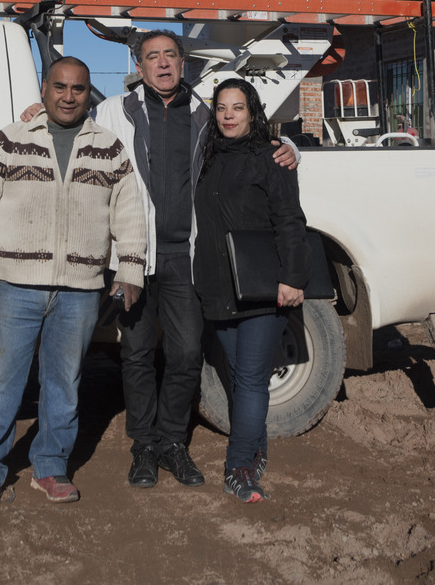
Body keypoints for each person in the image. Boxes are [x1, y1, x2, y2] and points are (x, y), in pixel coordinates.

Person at [92, 30, 298, 489]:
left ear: (182, 62)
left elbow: (247, 143)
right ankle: (144, 445)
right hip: (133, 257)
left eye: (170, 56)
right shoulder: (111, 111)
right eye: (152, 57)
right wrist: (34, 114)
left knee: (185, 354)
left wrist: (292, 148)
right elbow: (72, 136)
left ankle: (172, 442)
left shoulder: (204, 114)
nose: (162, 64)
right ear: (138, 65)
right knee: (137, 352)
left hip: (186, 257)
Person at [0, 57, 147, 511]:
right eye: (59, 87)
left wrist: (131, 270)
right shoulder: (10, 140)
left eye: (78, 89)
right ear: (44, 89)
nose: (67, 96)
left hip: (79, 290)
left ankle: (50, 465)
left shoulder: (109, 148)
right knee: (1, 383)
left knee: (64, 384)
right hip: (14, 287)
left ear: (88, 93)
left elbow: (130, 214)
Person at [191, 78, 309, 504]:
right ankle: (256, 449)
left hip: (262, 290)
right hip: (217, 288)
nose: (228, 115)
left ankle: (238, 467)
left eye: (237, 108)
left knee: (254, 380)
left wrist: (293, 279)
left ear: (252, 112)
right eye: (222, 108)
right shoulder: (202, 159)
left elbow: (291, 221)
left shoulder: (272, 158)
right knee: (241, 378)